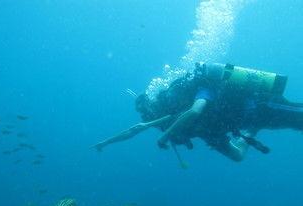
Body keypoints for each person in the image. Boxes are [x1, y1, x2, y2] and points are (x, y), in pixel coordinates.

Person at [93, 62, 303, 162]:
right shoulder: (200, 129)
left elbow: (195, 110)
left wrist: (165, 136)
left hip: (261, 105)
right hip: (254, 119)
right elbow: (237, 154)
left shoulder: (198, 88)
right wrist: (106, 143)